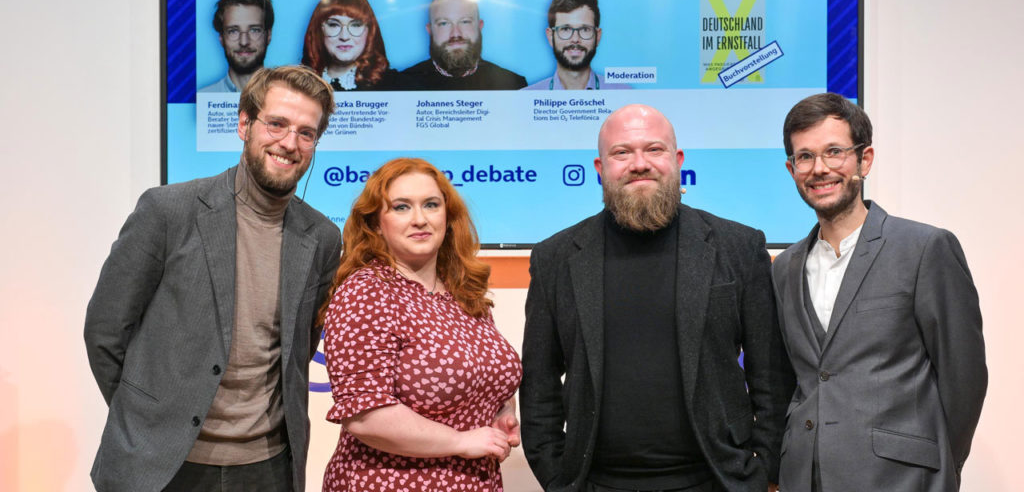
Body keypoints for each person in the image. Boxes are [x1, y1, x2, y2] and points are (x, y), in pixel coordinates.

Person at [85, 65, 341, 492]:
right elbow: (106, 332)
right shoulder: (168, 211)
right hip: (162, 464)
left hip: (267, 469)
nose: (289, 143)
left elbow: (299, 352)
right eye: (276, 123)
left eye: (306, 133)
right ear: (244, 123)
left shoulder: (322, 239)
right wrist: (150, 419)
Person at [521, 104, 794, 492]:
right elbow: (539, 385)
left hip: (716, 481)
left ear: (677, 160)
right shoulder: (555, 258)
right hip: (595, 484)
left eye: (654, 149)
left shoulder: (739, 247)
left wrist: (762, 472)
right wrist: (557, 477)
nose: (639, 163)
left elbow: (770, 375)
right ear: (600, 168)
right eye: (622, 153)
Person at [772, 92, 987, 492]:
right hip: (805, 478)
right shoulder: (785, 268)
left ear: (864, 159)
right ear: (791, 168)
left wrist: (940, 467)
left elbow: (965, 377)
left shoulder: (924, 248)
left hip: (902, 479)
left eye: (834, 152)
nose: (820, 168)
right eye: (805, 157)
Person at [320, 157, 522, 491]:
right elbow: (366, 415)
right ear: (376, 223)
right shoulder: (366, 291)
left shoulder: (463, 292)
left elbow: (483, 379)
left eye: (431, 205)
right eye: (401, 207)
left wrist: (500, 413)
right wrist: (461, 441)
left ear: (448, 216)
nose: (419, 219)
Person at [399, 0, 527, 90]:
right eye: (444, 23)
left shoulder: (514, 86)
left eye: (465, 22)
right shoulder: (402, 86)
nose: (455, 34)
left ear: (479, 26)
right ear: (430, 30)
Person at [524, 0, 630, 91]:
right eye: (566, 29)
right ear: (550, 36)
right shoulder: (526, 99)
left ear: (597, 36)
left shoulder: (623, 96)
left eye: (585, 29)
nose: (575, 39)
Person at [301, 0, 398, 91]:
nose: (344, 36)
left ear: (369, 31)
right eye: (334, 25)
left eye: (355, 25)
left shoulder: (396, 84)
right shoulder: (295, 83)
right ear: (319, 30)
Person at [199, 0, 274, 93]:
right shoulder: (204, 97)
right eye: (233, 31)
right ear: (221, 38)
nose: (244, 42)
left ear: (268, 35)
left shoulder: (289, 97)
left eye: (254, 30)